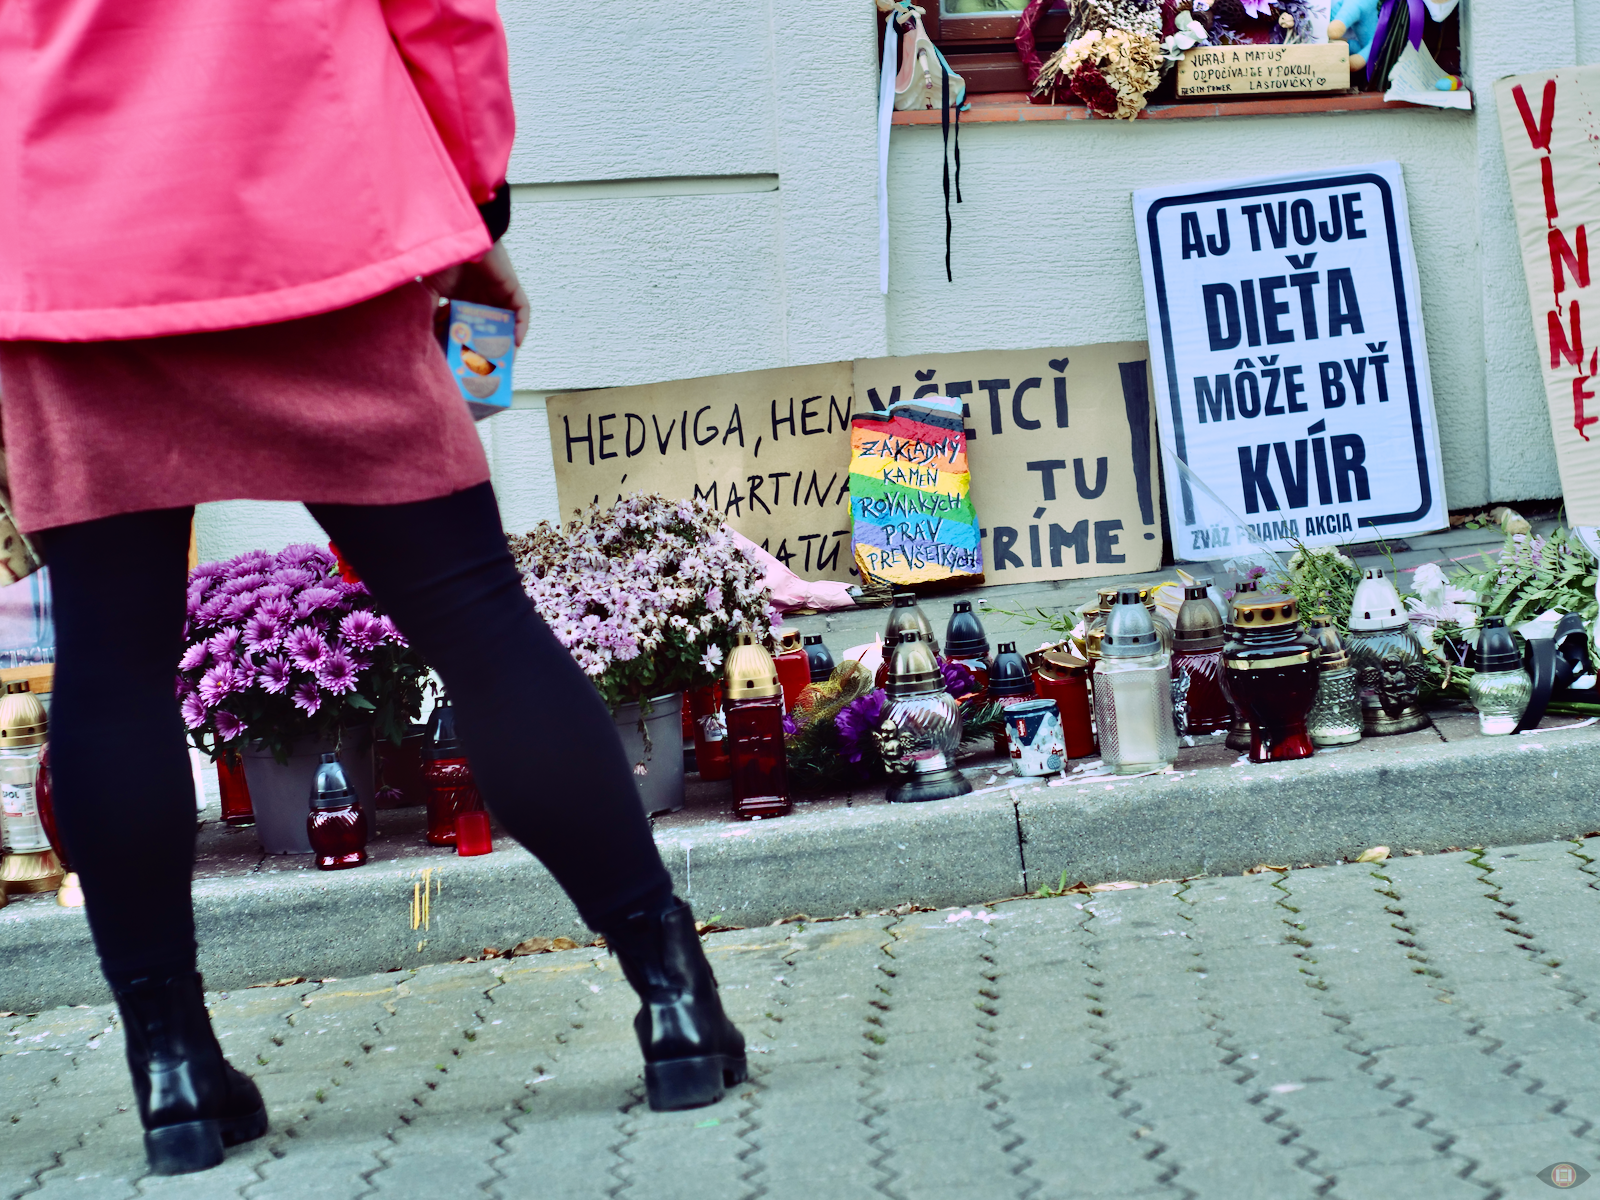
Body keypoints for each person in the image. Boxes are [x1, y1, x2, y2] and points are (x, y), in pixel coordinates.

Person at [0, 0, 744, 1176]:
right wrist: (472, 200)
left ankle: (173, 1068)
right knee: (479, 623)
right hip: (322, 207)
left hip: (65, 246)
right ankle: (674, 998)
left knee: (110, 667)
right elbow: (441, 14)